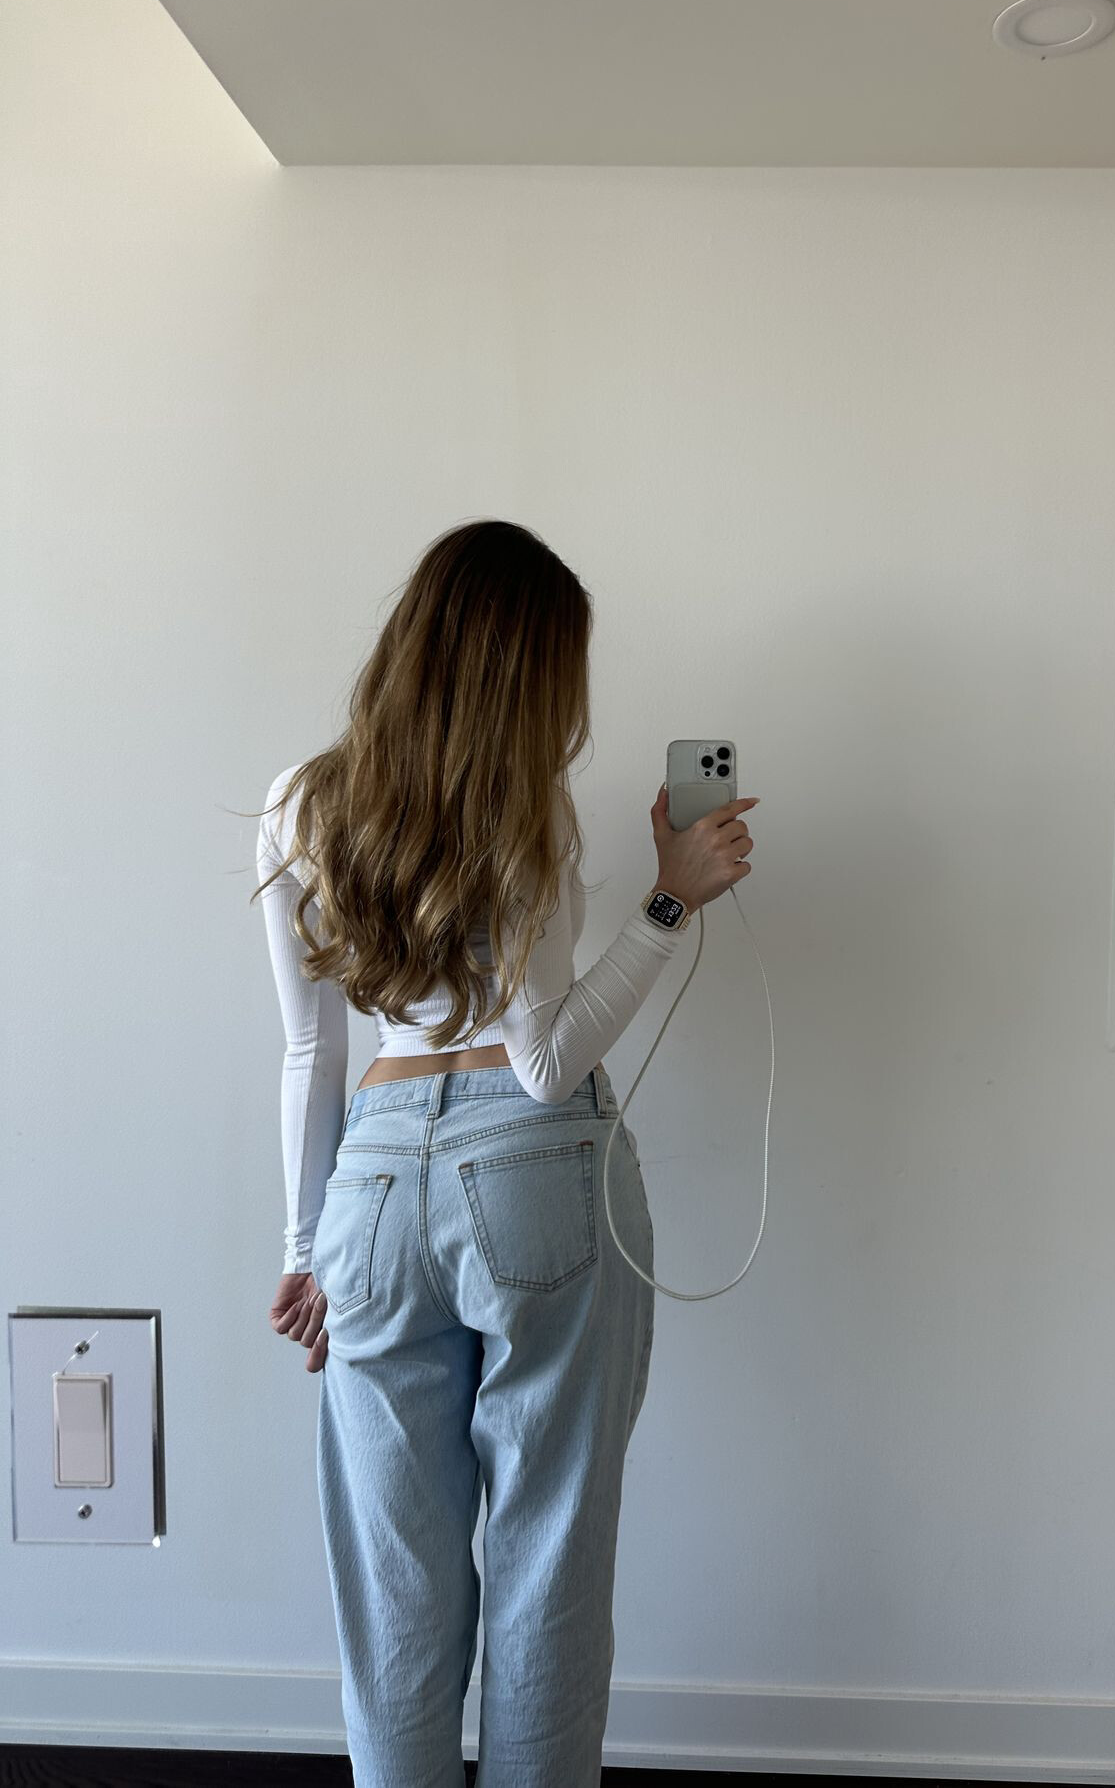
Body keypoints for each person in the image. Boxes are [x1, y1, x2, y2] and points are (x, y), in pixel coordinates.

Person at [249, 518, 756, 1787]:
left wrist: (307, 1249)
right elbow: (542, 1061)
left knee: (394, 1583)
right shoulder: (522, 806)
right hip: (531, 1176)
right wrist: (668, 899)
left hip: (369, 1186)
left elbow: (309, 1051)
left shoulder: (298, 801)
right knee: (547, 1555)